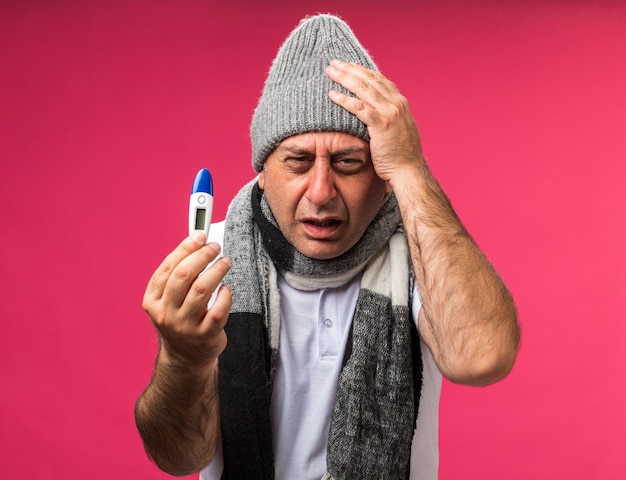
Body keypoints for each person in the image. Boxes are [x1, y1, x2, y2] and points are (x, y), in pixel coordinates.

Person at [135, 14, 519, 480]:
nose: (320, 191)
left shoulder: (424, 252)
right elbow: (179, 458)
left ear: (383, 172)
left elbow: (482, 358)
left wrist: (413, 170)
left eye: (348, 163)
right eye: (297, 161)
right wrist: (182, 358)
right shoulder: (210, 259)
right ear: (261, 171)